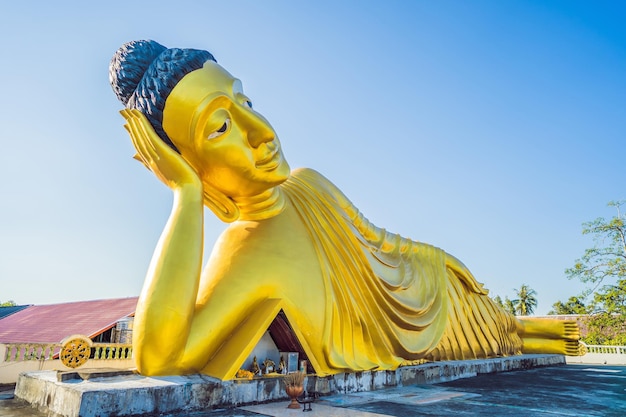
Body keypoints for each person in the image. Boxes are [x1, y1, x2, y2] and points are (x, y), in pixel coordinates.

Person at [109, 40, 579, 379]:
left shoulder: (307, 183)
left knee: (496, 326)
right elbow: (161, 359)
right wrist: (186, 195)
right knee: (487, 341)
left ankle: (524, 329)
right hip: (401, 343)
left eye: (245, 100)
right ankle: (530, 332)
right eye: (222, 126)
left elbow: (378, 240)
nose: (262, 131)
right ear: (186, 164)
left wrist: (438, 258)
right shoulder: (246, 255)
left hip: (415, 293)